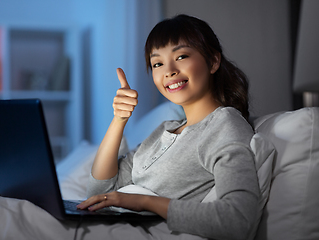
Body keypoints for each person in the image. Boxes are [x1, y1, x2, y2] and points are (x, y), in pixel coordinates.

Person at [78, 14, 259, 240]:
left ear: (213, 61)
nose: (169, 70)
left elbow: (237, 220)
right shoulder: (164, 130)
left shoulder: (225, 125)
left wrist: (145, 202)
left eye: (181, 56)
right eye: (157, 63)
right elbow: (98, 194)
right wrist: (119, 120)